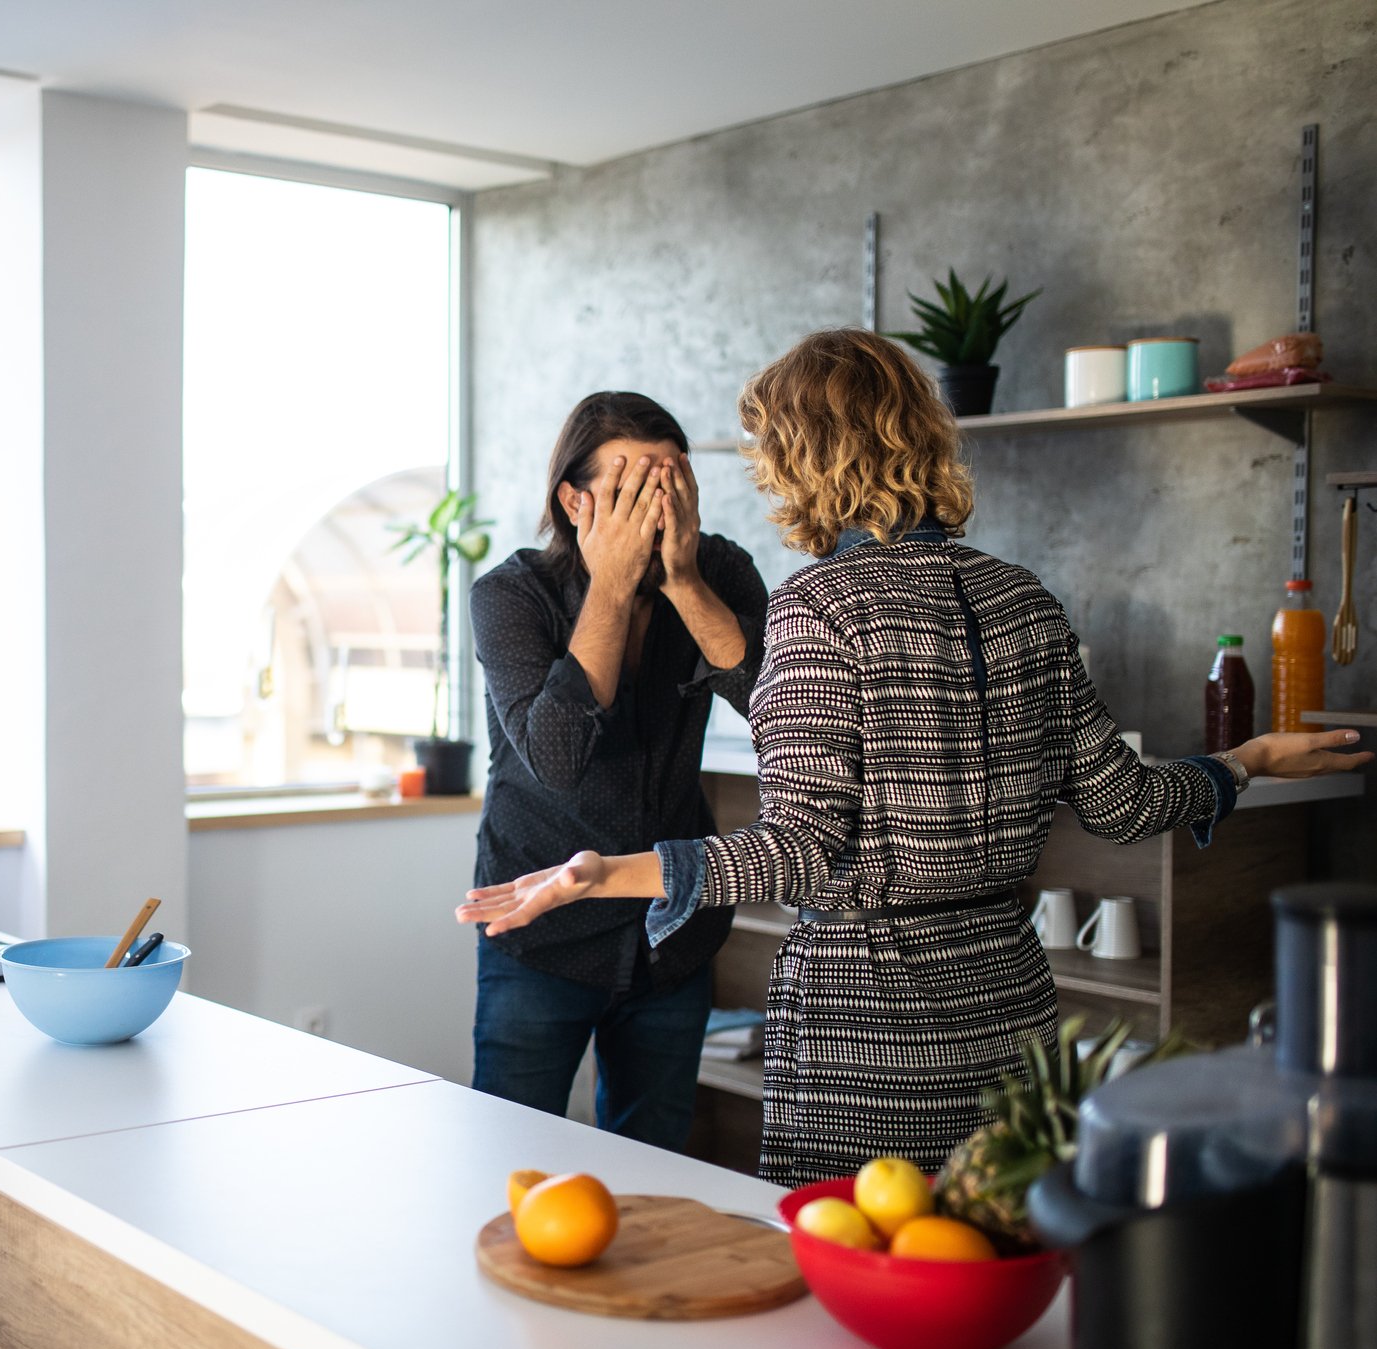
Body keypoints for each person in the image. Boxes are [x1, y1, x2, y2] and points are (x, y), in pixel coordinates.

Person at [458, 330, 1371, 1184]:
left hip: (866, 1040)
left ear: (803, 457)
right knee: (995, 1270)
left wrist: (603, 874)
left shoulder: (820, 608)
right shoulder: (1022, 598)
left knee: (847, 1300)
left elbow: (801, 850)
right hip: (1011, 1021)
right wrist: (1244, 758)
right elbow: (1123, 802)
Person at [467, 391, 767, 1151]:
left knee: (655, 1166)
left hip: (673, 935)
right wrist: (611, 585)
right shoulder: (510, 594)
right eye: (630, 488)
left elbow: (772, 703)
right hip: (541, 930)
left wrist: (681, 583)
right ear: (573, 500)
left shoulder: (717, 569)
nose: (652, 506)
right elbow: (558, 759)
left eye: (670, 484)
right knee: (508, 1155)